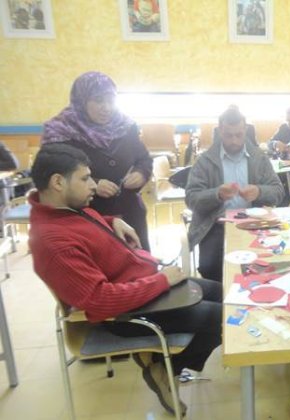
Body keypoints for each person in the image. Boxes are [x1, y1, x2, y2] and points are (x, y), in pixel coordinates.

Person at [28, 143, 222, 416]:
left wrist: (110, 221)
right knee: (223, 319)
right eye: (85, 178)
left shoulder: (66, 210)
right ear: (58, 182)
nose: (93, 185)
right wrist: (162, 281)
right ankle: (165, 369)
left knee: (223, 293)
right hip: (125, 313)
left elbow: (84, 232)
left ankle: (163, 364)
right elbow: (100, 300)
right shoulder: (53, 243)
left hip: (144, 287)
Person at [42, 71, 153, 251]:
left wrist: (141, 173)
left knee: (139, 264)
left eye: (111, 100)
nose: (106, 107)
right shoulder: (61, 132)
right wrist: (91, 183)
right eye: (98, 100)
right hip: (86, 218)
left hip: (130, 214)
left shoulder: (125, 126)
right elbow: (52, 175)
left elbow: (143, 159)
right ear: (82, 101)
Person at [186, 107, 284, 282]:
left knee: (269, 263)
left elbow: (278, 191)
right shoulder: (205, 161)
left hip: (254, 224)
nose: (234, 141)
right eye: (228, 135)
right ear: (220, 131)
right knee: (211, 268)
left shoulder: (259, 158)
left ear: (245, 130)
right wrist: (217, 194)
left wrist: (259, 192)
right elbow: (191, 198)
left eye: (238, 135)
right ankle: (220, 296)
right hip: (216, 225)